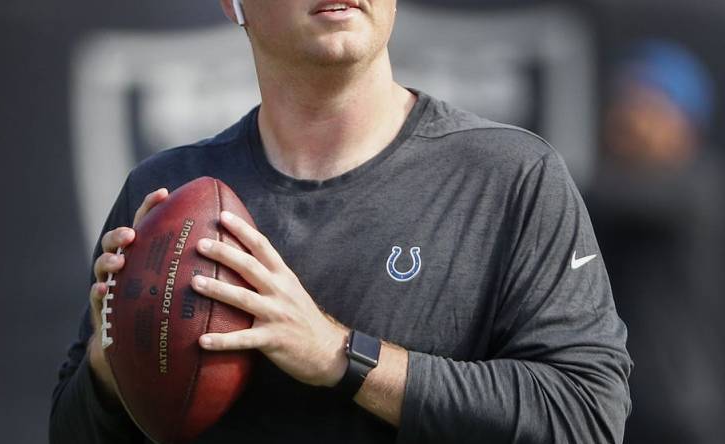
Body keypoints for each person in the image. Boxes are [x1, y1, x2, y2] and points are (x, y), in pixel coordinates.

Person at [50, 1, 631, 443]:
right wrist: (113, 368)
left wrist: (341, 356)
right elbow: (70, 430)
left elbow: (585, 414)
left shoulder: (510, 176)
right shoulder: (168, 190)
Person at [588, 40, 725, 444]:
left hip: (682, 412)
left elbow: (602, 197)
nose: (628, 118)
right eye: (625, 103)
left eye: (646, 106)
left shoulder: (700, 187)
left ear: (684, 121)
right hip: (622, 407)